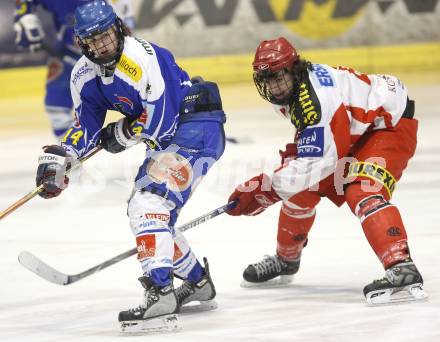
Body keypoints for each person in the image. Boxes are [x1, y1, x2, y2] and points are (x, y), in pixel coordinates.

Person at [34, 0, 226, 333]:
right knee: (152, 214)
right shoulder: (82, 74)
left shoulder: (141, 58)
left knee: (148, 203)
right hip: (169, 139)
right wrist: (64, 155)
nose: (101, 46)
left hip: (194, 127)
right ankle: (198, 283)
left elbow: (161, 118)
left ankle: (161, 291)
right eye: (92, 41)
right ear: (82, 43)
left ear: (119, 29)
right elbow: (86, 124)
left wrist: (121, 133)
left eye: (106, 36)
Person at [226, 37, 427, 305]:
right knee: (300, 189)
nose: (273, 85)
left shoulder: (315, 100)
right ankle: (286, 259)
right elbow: (319, 153)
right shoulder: (294, 90)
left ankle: (401, 267)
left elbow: (321, 160)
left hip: (387, 124)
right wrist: (277, 183)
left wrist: (265, 190)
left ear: (294, 68)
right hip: (355, 126)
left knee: (362, 190)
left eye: (278, 76)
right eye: (267, 79)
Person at [13, 0, 135, 140]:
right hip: (69, 52)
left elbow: (125, 24)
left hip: (109, 53)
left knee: (138, 101)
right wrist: (23, 15)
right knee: (56, 106)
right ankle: (71, 153)